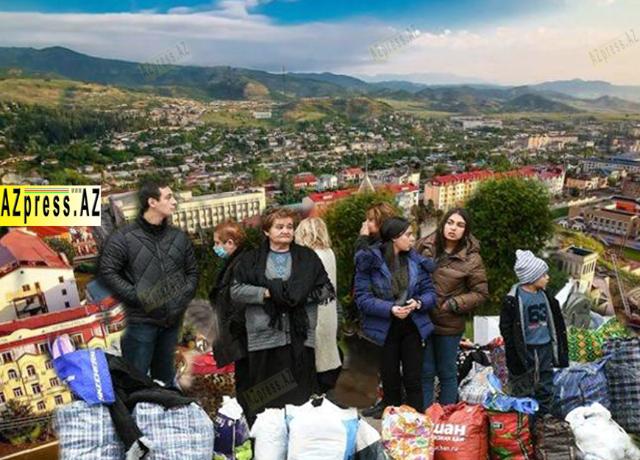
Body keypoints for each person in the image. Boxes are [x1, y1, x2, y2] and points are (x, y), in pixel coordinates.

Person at [230, 208, 335, 419]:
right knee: (266, 400)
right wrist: (267, 292)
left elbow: (325, 289)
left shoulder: (307, 258)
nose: (286, 231)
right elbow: (236, 290)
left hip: (299, 336)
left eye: (289, 227)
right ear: (267, 231)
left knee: (300, 399)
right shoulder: (251, 260)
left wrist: (300, 294)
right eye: (279, 227)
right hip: (264, 337)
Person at [99, 179, 199, 387]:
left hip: (170, 323)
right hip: (141, 323)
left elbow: (192, 272)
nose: (174, 202)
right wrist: (137, 297)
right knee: (135, 381)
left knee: (165, 382)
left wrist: (181, 299)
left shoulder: (178, 237)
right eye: (169, 197)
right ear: (152, 202)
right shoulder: (124, 238)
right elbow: (108, 271)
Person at [354, 217, 437, 415]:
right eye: (408, 235)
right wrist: (390, 308)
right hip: (384, 329)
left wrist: (419, 303)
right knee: (390, 380)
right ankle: (394, 430)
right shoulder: (370, 262)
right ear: (394, 237)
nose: (412, 238)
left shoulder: (416, 261)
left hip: (412, 327)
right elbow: (362, 299)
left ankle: (417, 426)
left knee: (413, 379)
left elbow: (430, 293)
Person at [416, 208, 488, 408]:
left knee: (447, 372)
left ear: (466, 231)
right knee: (426, 371)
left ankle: (446, 417)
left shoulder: (472, 259)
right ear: (443, 224)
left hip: (449, 324)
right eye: (450, 222)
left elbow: (480, 293)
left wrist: (454, 304)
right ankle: (425, 418)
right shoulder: (425, 246)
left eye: (460, 225)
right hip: (423, 319)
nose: (453, 228)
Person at [500, 249, 568, 415]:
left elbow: (556, 323)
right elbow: (506, 328)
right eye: (544, 275)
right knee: (524, 382)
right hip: (525, 349)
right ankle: (524, 420)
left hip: (544, 346)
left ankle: (544, 416)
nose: (547, 278)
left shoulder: (546, 297)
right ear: (532, 277)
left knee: (545, 381)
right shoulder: (513, 300)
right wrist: (513, 349)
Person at [295, 217, 342, 394]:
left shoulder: (309, 258)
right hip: (328, 313)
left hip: (312, 316)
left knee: (314, 359)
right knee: (327, 355)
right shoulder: (329, 253)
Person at [207, 220, 248, 368]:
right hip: (238, 340)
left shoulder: (240, 266)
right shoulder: (235, 263)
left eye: (217, 243)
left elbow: (239, 304)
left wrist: (230, 329)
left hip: (240, 340)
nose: (214, 247)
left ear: (230, 243)